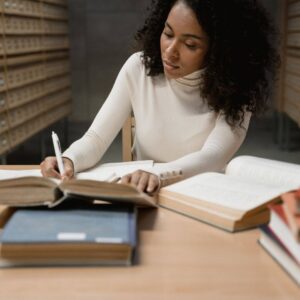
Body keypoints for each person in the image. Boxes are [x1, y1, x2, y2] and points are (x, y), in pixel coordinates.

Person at [41, 0, 280, 193]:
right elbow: (96, 138)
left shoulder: (236, 91)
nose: (170, 50)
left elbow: (213, 157)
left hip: (201, 196)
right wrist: (69, 159)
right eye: (168, 33)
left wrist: (158, 175)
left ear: (219, 51)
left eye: (190, 44)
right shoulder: (138, 69)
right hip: (146, 195)